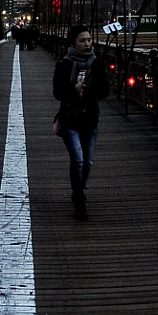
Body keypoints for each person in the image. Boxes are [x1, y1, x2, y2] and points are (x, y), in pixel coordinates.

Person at [53, 24, 110, 219]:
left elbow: (104, 91)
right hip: (69, 119)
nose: (87, 44)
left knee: (88, 162)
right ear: (73, 43)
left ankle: (78, 189)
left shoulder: (97, 63)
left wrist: (87, 93)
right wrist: (73, 91)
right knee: (77, 160)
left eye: (89, 40)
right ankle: (79, 199)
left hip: (90, 119)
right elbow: (57, 93)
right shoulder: (64, 65)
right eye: (82, 41)